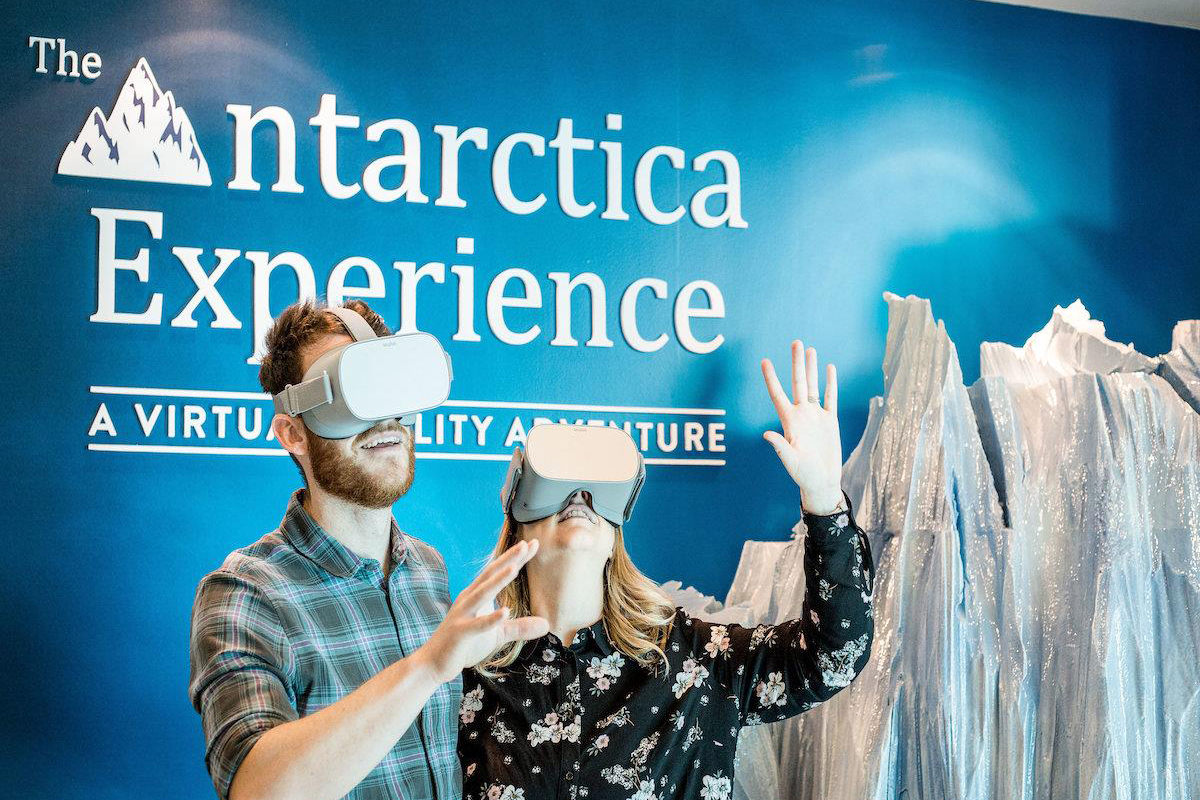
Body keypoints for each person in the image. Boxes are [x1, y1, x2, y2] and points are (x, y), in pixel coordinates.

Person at [458, 340, 876, 800]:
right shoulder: (471, 678)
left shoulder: (695, 661)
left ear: (616, 533)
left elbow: (833, 657)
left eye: (596, 488)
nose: (579, 496)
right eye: (558, 483)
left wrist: (824, 501)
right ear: (516, 518)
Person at [188, 299, 549, 800]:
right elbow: (256, 788)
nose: (384, 420)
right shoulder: (245, 594)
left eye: (390, 388)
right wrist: (427, 668)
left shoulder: (427, 571)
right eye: (353, 395)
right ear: (293, 433)